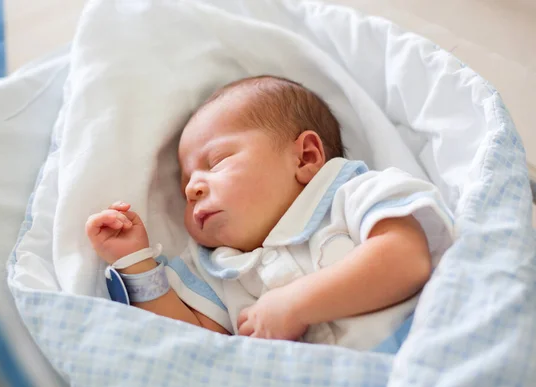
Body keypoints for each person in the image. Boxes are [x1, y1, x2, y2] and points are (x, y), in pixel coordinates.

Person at [85, 76, 454, 350]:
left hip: (421, 352)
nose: (191, 189)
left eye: (217, 162)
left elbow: (407, 259)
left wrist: (296, 305)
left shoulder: (352, 195)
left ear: (305, 157)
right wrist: (134, 263)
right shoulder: (220, 272)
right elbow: (192, 343)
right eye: (187, 183)